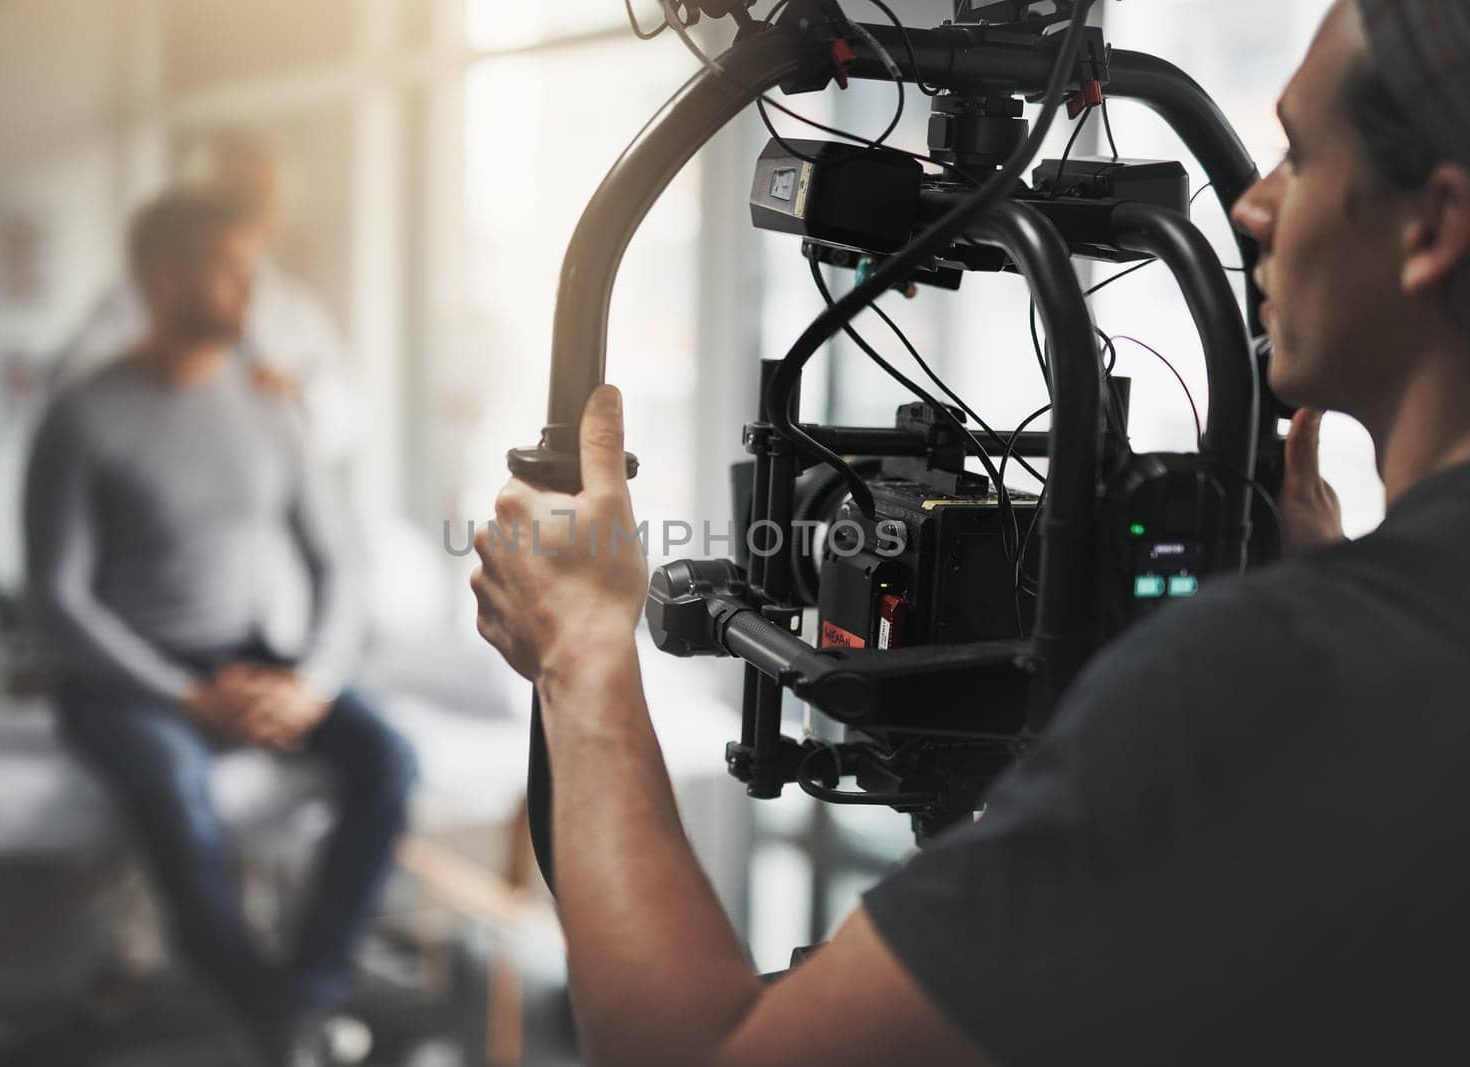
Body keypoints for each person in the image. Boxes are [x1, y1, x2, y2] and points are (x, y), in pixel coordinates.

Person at [468, 1, 1470, 1062]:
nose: (1255, 205)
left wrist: (580, 652)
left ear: (1434, 227)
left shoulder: (1270, 682)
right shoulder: (1348, 656)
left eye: (1302, 158)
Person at [25, 189, 414, 1066]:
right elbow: (59, 600)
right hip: (125, 680)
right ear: (167, 280)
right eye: (234, 274)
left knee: (387, 758)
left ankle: (302, 994)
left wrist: (309, 681)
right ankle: (278, 1011)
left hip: (251, 657)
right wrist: (189, 696)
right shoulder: (82, 415)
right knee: (175, 791)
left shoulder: (274, 408)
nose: (252, 294)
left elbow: (339, 564)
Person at [51, 131, 361, 463]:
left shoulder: (296, 310)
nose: (255, 209)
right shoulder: (137, 298)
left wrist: (296, 394)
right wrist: (162, 377)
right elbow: (69, 398)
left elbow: (350, 412)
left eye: (268, 197)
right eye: (239, 193)